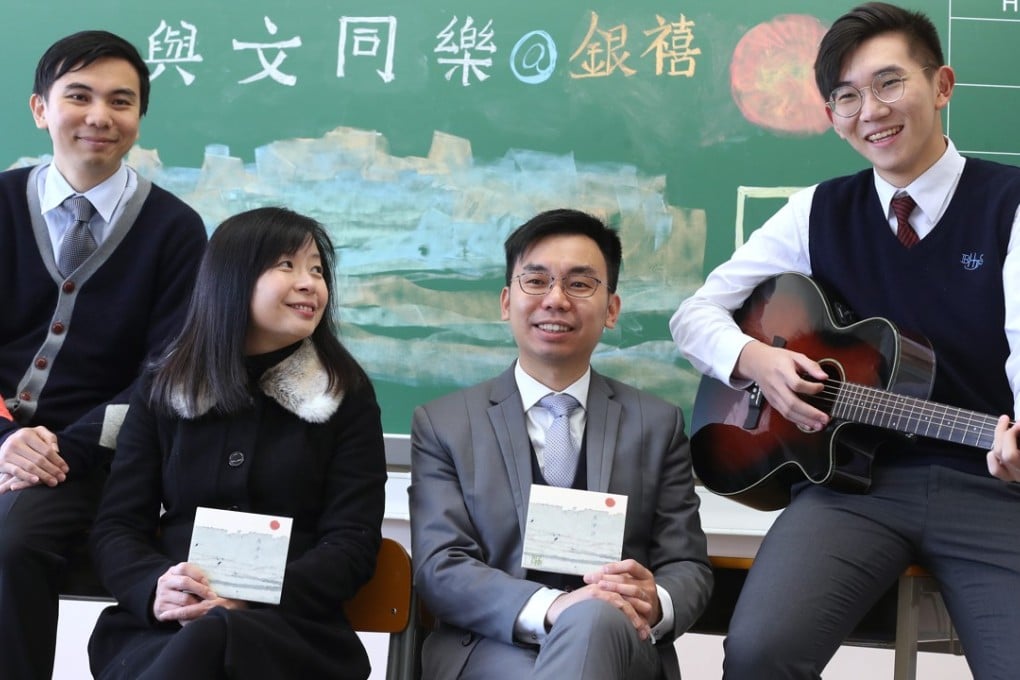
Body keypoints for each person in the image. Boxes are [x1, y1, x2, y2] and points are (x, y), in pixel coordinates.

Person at [671, 3, 1020, 679]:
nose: (871, 111)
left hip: (988, 483)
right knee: (758, 654)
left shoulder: (1009, 204)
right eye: (847, 96)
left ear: (942, 85)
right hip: (848, 489)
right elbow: (695, 314)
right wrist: (758, 359)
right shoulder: (816, 209)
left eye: (890, 84)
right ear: (831, 115)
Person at [410, 208, 712, 680]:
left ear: (611, 308)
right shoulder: (445, 424)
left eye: (579, 284)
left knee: (593, 621)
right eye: (537, 281)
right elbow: (441, 567)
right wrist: (556, 606)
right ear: (507, 301)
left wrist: (655, 601)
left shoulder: (658, 424)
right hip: (494, 646)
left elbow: (686, 564)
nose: (555, 299)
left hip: (619, 645)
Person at [87, 206, 387, 679]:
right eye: (287, 265)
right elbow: (118, 526)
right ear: (231, 278)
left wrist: (250, 592)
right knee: (199, 640)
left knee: (218, 635)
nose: (310, 283)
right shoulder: (167, 387)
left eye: (317, 269)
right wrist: (155, 586)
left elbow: (352, 541)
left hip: (291, 629)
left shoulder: (341, 392)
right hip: (167, 625)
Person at [0, 30, 207, 679]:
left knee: (13, 542)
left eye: (121, 102)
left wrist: (60, 448)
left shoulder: (174, 229)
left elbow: (166, 372)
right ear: (40, 108)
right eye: (78, 96)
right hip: (4, 441)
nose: (99, 117)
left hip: (93, 460)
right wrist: (7, 438)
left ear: (139, 117)